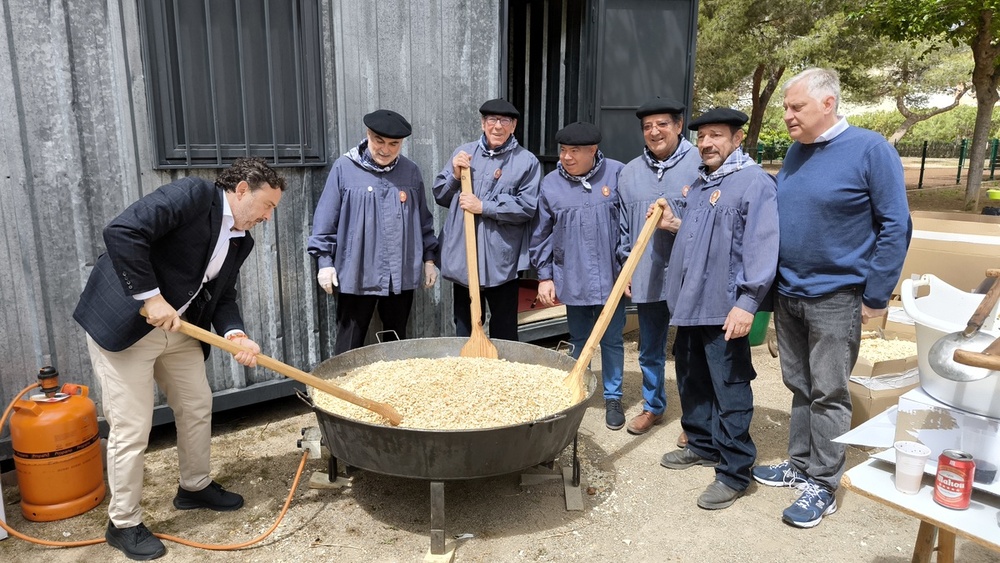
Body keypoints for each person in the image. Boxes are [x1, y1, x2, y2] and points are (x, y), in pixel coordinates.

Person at [73, 157, 286, 560]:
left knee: (196, 405)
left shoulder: (241, 239)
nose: (267, 217)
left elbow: (223, 295)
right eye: (267, 206)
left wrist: (235, 334)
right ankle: (123, 523)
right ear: (242, 190)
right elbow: (123, 231)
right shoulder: (192, 194)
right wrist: (150, 297)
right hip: (128, 325)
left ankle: (194, 486)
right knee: (132, 427)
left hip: (180, 330)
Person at [751, 68, 910, 528]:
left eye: (795, 107)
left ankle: (823, 482)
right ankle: (799, 462)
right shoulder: (797, 154)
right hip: (790, 292)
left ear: (828, 103)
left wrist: (877, 295)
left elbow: (896, 225)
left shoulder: (870, 149)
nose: (786, 116)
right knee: (799, 385)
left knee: (829, 391)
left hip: (836, 296)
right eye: (784, 107)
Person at [657, 108, 778, 511]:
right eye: (703, 136)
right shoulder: (700, 183)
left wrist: (747, 303)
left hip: (724, 307)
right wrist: (673, 221)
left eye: (717, 135)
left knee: (730, 388)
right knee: (692, 380)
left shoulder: (753, 183)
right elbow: (700, 236)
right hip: (690, 305)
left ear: (737, 139)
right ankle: (703, 444)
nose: (707, 143)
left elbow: (762, 246)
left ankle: (734, 471)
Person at [308, 109, 439, 353]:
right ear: (368, 135)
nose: (386, 149)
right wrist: (324, 262)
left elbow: (423, 219)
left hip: (399, 274)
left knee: (395, 340)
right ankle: (342, 387)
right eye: (379, 141)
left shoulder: (410, 171)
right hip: (357, 272)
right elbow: (326, 220)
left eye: (394, 143)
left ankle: (392, 388)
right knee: (349, 342)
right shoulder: (344, 168)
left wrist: (429, 259)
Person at [529, 122, 627, 430]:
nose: (566, 157)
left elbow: (629, 226)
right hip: (572, 276)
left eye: (574, 151)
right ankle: (579, 389)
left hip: (612, 278)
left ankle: (613, 396)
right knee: (579, 338)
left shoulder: (617, 174)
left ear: (593, 151)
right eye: (563, 150)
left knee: (612, 339)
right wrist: (544, 276)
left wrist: (627, 269)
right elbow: (541, 234)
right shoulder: (551, 184)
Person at [617, 96, 702, 437]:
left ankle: (695, 418)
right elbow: (625, 226)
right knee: (650, 346)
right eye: (647, 127)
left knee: (691, 348)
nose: (654, 132)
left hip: (689, 273)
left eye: (662, 124)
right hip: (647, 272)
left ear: (679, 126)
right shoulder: (630, 172)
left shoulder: (701, 163)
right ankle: (653, 406)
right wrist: (626, 269)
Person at [433, 99, 541, 341]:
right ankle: (471, 373)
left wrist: (484, 206)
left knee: (504, 330)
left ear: (513, 126)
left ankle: (503, 375)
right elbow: (440, 195)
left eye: (505, 121)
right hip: (465, 257)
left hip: (501, 260)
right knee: (466, 326)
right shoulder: (464, 154)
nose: (498, 126)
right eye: (492, 120)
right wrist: (453, 174)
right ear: (483, 123)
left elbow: (526, 207)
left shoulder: (526, 162)